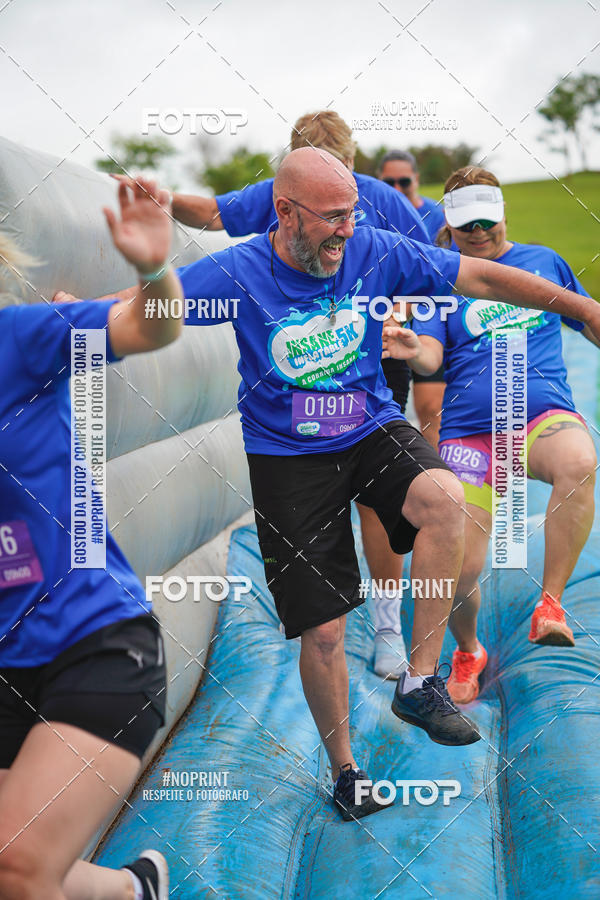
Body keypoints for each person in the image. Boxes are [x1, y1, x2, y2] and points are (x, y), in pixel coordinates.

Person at [175, 147, 600, 820]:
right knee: (323, 634)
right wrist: (70, 318)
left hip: (370, 426)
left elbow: (481, 277)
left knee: (444, 498)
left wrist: (585, 307)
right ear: (285, 212)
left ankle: (420, 680)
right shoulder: (238, 271)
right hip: (288, 456)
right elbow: (149, 306)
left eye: (353, 213)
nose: (348, 229)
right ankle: (346, 772)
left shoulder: (373, 250)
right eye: (333, 217)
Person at [95, 111, 432, 683]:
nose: (336, 199)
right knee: (318, 481)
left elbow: (423, 270)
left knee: (378, 498)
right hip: (295, 377)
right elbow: (213, 213)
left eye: (340, 173)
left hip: (369, 361)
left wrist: (390, 314)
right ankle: (327, 600)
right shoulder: (278, 202)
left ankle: (387, 624)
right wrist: (159, 200)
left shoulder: (381, 202)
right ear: (288, 192)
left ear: (352, 166)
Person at [0, 177, 182, 899]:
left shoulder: (20, 339)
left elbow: (153, 327)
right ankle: (134, 890)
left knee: (16, 865)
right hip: (8, 658)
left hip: (96, 641)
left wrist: (153, 267)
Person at [384, 165, 599, 706]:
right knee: (460, 570)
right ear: (449, 225)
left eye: (486, 220)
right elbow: (432, 353)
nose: (478, 232)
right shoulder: (438, 280)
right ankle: (468, 651)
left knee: (579, 461)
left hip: (540, 417)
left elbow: (587, 319)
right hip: (472, 433)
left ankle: (550, 605)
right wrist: (415, 348)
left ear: (502, 214)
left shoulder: (543, 263)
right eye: (465, 225)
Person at [378, 150, 448, 449]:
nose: (397, 188)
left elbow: (444, 276)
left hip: (430, 317)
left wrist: (400, 312)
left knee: (431, 409)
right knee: (389, 411)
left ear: (417, 179)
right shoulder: (372, 216)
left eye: (404, 181)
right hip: (382, 321)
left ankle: (439, 472)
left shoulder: (438, 217)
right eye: (388, 182)